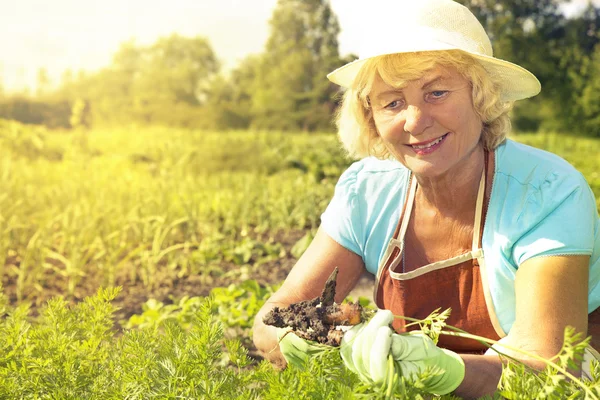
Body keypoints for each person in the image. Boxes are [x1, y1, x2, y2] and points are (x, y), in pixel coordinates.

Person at [252, 0, 600, 398]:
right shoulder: (367, 193)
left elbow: (549, 367)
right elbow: (272, 318)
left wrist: (442, 370)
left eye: (436, 92)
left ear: (480, 96)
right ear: (371, 118)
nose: (415, 121)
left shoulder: (547, 193)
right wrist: (303, 344)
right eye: (392, 102)